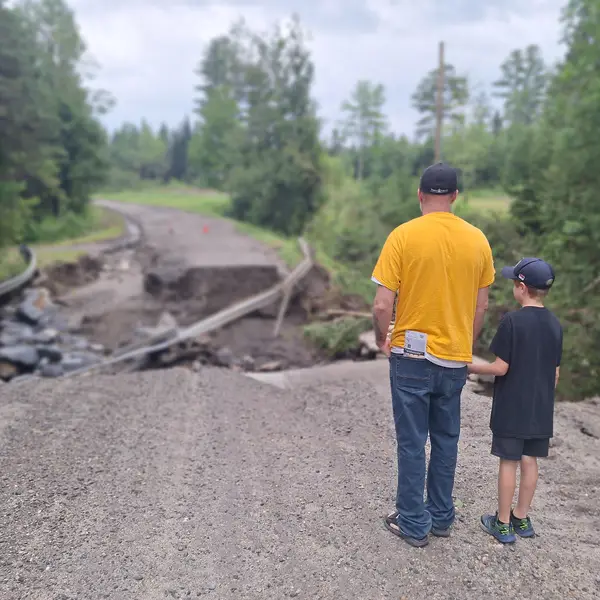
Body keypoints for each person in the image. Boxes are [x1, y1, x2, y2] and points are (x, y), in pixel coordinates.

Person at [371, 162, 495, 548]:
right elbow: (482, 307)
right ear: (455, 196)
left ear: (421, 195)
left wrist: (381, 340)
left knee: (412, 441)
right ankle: (440, 516)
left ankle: (412, 521)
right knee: (446, 439)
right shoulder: (478, 240)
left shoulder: (403, 236)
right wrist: (464, 344)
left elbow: (380, 306)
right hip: (454, 357)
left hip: (410, 355)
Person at [467, 258, 562, 544]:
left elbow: (500, 367)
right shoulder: (555, 325)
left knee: (508, 462)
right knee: (529, 460)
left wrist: (468, 366)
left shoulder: (512, 321)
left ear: (521, 288)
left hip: (512, 406)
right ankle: (522, 517)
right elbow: (555, 373)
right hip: (540, 408)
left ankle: (503, 522)